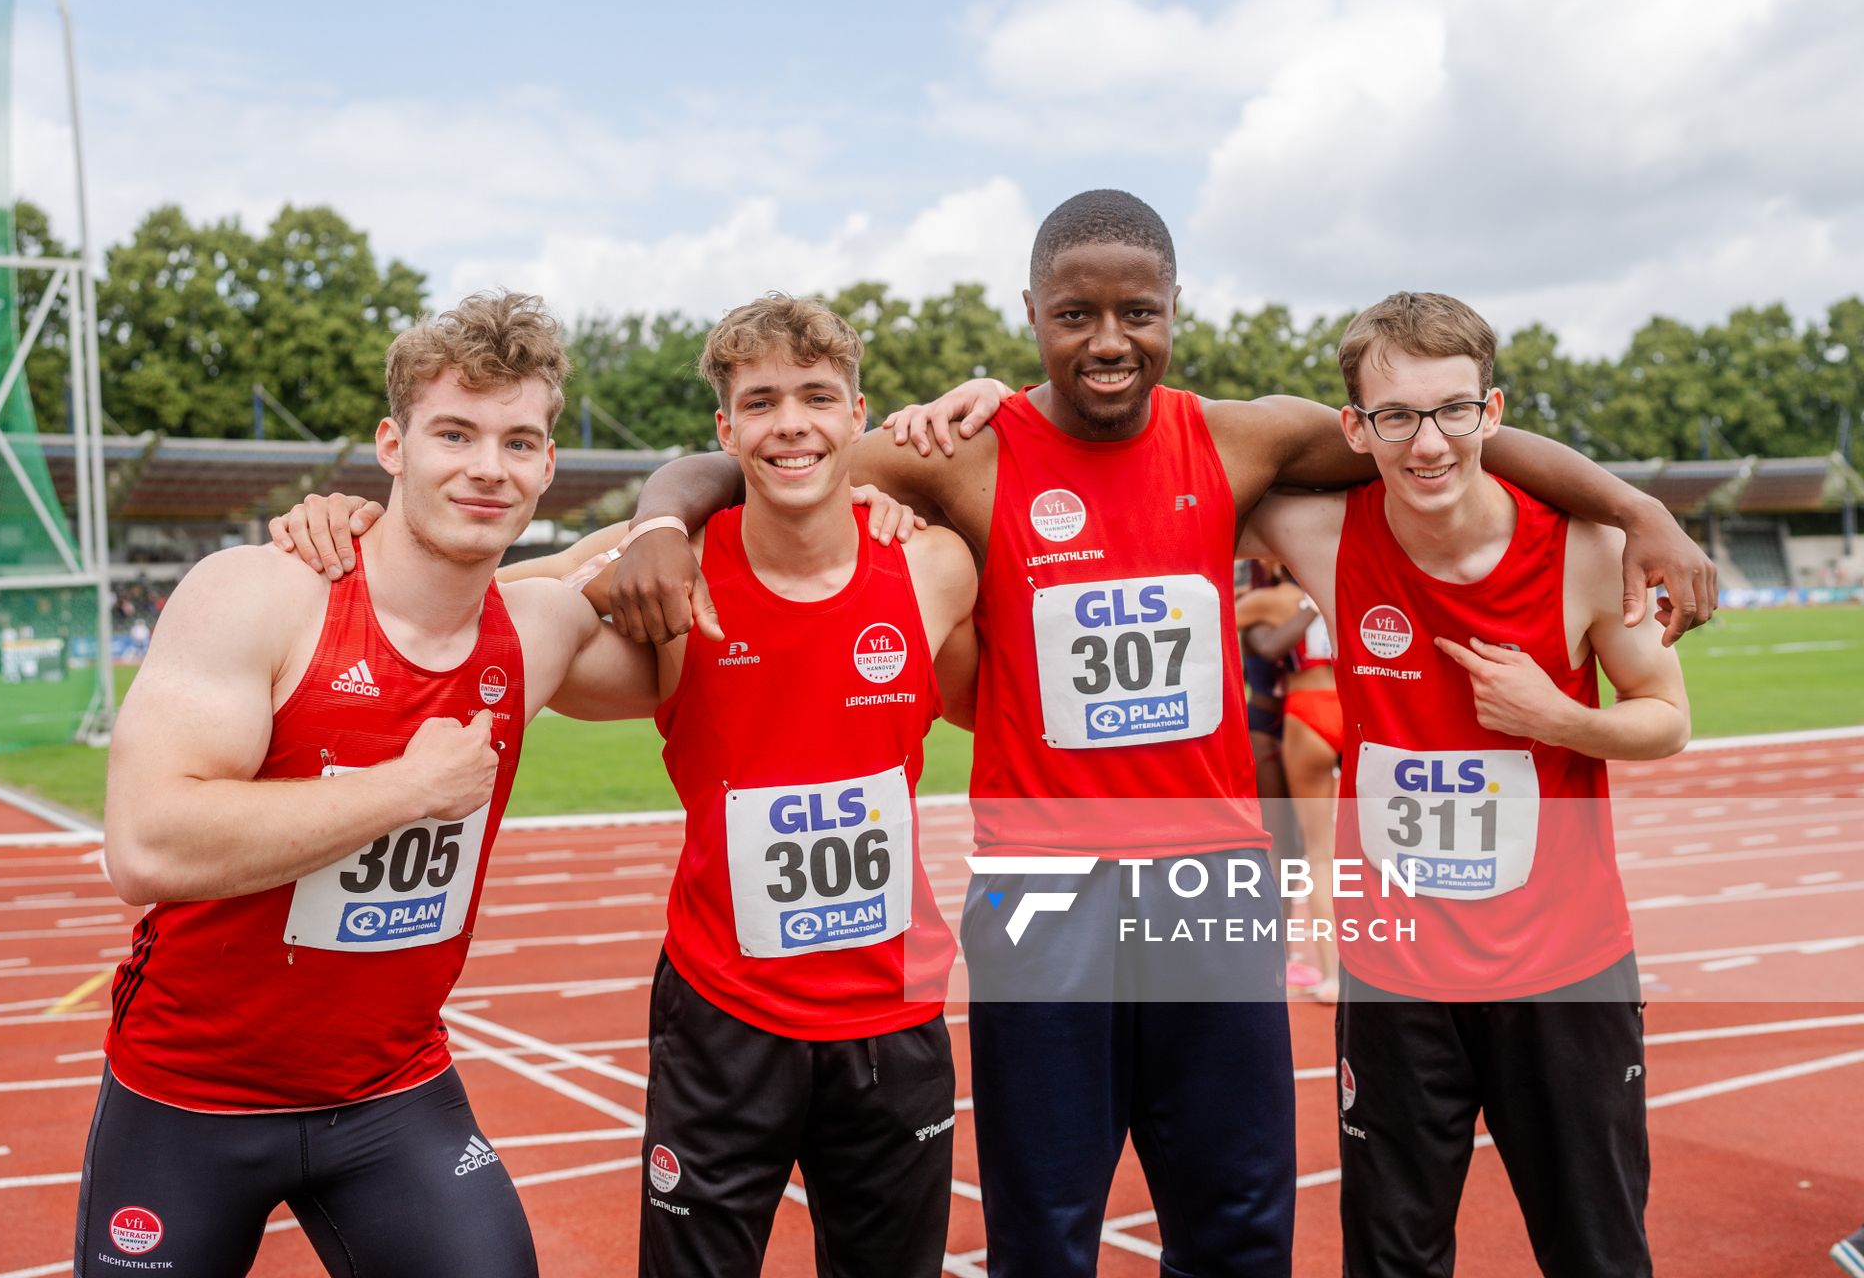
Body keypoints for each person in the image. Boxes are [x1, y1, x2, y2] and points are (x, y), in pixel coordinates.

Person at [276, 192, 1717, 1276]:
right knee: (1043, 1217)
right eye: (1076, 312)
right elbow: (761, 449)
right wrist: (659, 513)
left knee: (1240, 1211)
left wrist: (1640, 508)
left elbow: (1441, 428)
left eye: (1136, 311)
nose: (1109, 341)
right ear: (1030, 313)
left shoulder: (1240, 438)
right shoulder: (966, 454)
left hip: (1206, 877)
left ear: (1173, 310)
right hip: (1043, 889)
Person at [275, 294, 979, 1278]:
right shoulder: (666, 586)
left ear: (857, 416)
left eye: (819, 397)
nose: (793, 422)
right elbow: (486, 592)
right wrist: (354, 521)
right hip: (723, 1018)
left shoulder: (936, 567)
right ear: (726, 431)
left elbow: (1025, 497)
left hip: (894, 1021)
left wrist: (991, 393)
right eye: (762, 401)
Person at [80, 293, 657, 1276]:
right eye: (453, 432)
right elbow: (145, 846)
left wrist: (850, 488)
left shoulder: (541, 630)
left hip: (392, 1090)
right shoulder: (261, 592)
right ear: (392, 444)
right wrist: (405, 788)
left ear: (548, 466)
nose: (487, 466)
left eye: (520, 441)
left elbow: (715, 602)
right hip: (191, 1096)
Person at [1242, 290, 1691, 1277]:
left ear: (1494, 413)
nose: (1428, 443)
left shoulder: (1586, 549)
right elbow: (1156, 453)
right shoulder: (1323, 534)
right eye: (1395, 416)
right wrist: (986, 399)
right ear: (1357, 429)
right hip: (1399, 974)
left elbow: (1667, 712)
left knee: (1599, 1252)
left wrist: (1564, 720)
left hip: (1565, 973)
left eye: (1452, 410)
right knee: (1391, 1257)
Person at [1237, 568, 1340, 1000]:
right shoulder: (1341, 582)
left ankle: (1331, 973)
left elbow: (1209, 612)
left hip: (1307, 710)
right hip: (1352, 703)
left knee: (1318, 856)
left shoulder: (1272, 600)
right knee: (1359, 850)